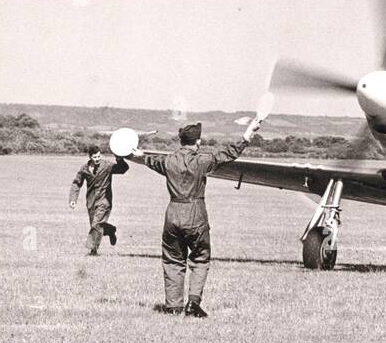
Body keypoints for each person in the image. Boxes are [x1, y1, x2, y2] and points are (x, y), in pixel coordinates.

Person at [131, 118, 261, 317]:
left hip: (172, 212)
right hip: (195, 212)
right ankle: (193, 303)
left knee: (173, 259)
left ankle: (173, 306)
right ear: (197, 142)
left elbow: (148, 160)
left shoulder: (168, 160)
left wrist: (139, 153)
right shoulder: (202, 161)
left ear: (180, 141)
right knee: (200, 258)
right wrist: (249, 132)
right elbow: (230, 153)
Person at [69, 144, 128, 255]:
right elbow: (77, 183)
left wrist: (120, 159)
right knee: (96, 226)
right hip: (91, 201)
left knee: (96, 224)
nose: (97, 159)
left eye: (99, 156)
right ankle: (110, 230)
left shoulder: (107, 166)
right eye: (95, 157)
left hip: (104, 200)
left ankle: (93, 250)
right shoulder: (84, 169)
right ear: (90, 157)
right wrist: (73, 199)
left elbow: (123, 169)